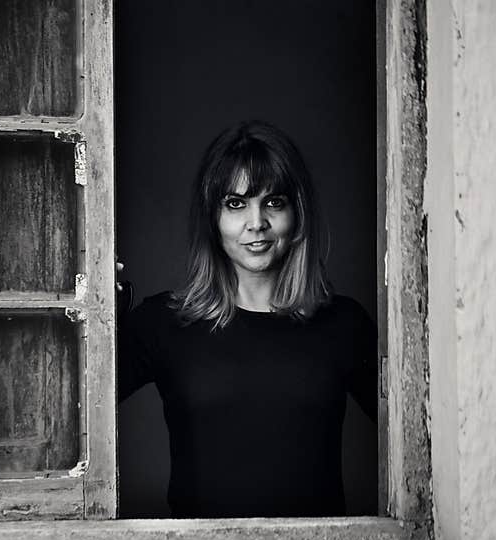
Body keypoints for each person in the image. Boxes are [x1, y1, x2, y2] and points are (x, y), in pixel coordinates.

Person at [117, 120, 377, 518]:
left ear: (298, 213)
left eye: (274, 202)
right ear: (212, 218)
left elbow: (424, 436)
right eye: (236, 204)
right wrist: (103, 313)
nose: (256, 223)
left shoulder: (344, 324)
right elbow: (70, 409)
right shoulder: (165, 323)